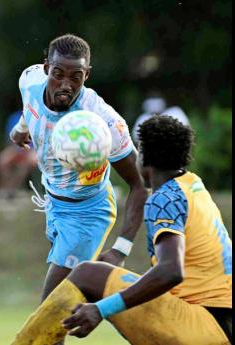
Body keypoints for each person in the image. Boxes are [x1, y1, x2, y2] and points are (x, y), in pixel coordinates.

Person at [11, 115, 232, 345]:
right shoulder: (192, 184)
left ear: (144, 156)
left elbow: (171, 271)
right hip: (219, 320)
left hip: (204, 325)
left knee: (88, 274)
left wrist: (101, 309)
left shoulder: (165, 198)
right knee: (99, 274)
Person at [9, 34, 148, 311]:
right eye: (58, 74)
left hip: (88, 213)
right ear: (46, 67)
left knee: (51, 308)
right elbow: (30, 103)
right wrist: (21, 129)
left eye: (76, 77)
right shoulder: (30, 79)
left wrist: (121, 248)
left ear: (87, 75)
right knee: (62, 313)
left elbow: (140, 184)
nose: (66, 85)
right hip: (54, 203)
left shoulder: (103, 121)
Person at [0, 110, 38, 200]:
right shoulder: (14, 118)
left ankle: (14, 190)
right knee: (2, 161)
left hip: (32, 149)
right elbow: (10, 139)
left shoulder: (36, 118)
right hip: (17, 148)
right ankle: (7, 190)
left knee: (24, 165)